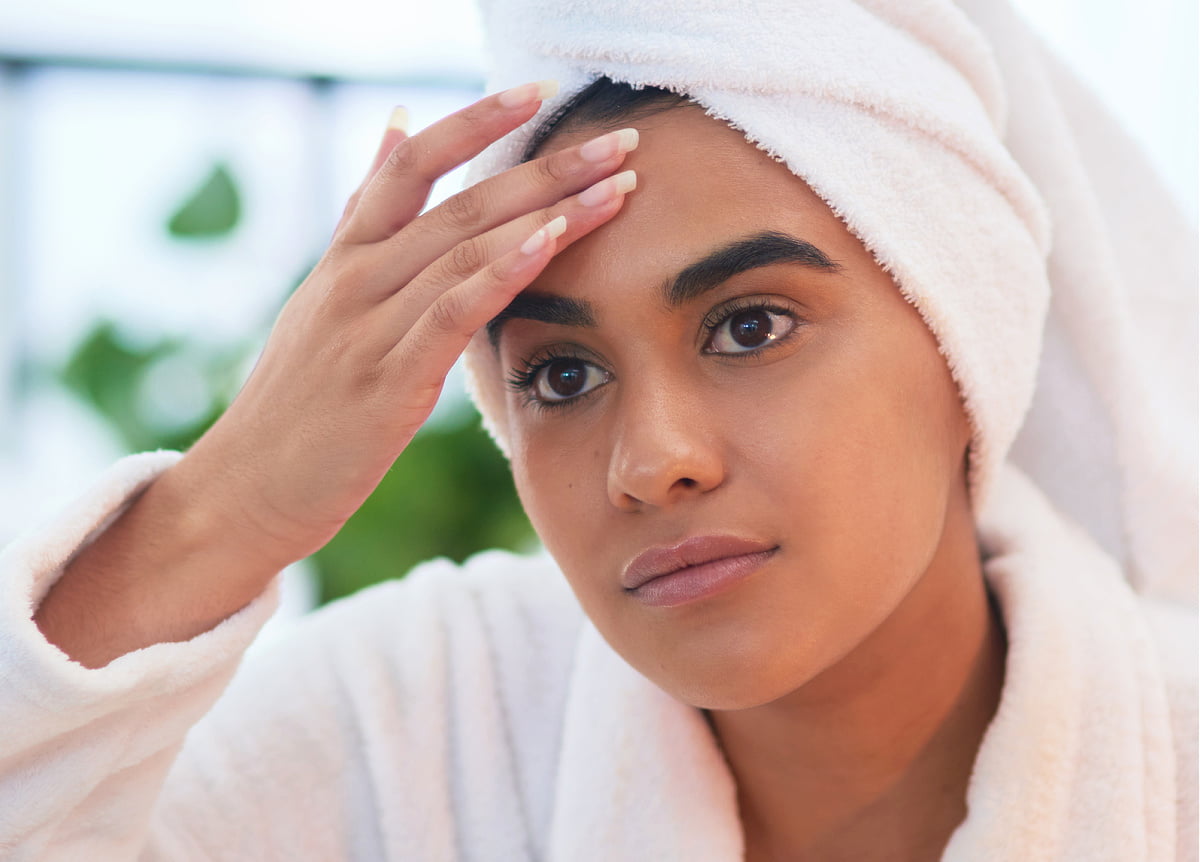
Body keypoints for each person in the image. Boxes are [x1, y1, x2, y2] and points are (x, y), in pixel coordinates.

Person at [2, 0, 1195, 859]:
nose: (652, 461)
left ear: (964, 334)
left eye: (750, 326)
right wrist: (228, 508)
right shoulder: (416, 725)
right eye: (563, 374)